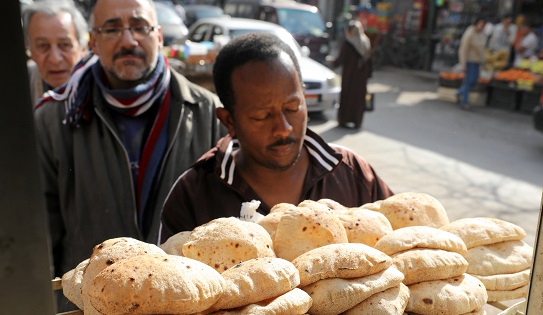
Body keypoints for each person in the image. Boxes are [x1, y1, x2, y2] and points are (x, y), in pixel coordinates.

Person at [33, 0, 223, 309]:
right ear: (93, 41)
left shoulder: (208, 114)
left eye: (139, 27)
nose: (128, 40)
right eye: (112, 29)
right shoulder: (56, 119)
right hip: (92, 305)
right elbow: (43, 233)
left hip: (182, 303)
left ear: (159, 36)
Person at [159, 33, 394, 242]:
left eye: (293, 108)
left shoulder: (353, 174)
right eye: (262, 116)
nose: (283, 129)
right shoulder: (193, 194)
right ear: (229, 121)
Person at [21, 1, 88, 106]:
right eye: (43, 46)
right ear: (29, 48)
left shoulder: (103, 85)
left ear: (83, 48)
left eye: (65, 45)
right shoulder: (20, 84)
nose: (55, 59)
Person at [330, 20, 372, 129]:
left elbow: (341, 59)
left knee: (347, 97)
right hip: (362, 77)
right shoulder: (366, 42)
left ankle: (344, 120)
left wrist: (331, 63)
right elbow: (370, 60)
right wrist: (368, 75)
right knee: (358, 98)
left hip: (350, 77)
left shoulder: (348, 43)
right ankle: (357, 121)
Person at [456, 18, 487, 110]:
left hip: (477, 61)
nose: (481, 27)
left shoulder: (482, 35)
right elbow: (463, 49)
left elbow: (482, 50)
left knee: (473, 81)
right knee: (469, 81)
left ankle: (459, 93)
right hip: (470, 60)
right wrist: (463, 63)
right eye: (480, 24)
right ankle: (464, 101)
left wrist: (483, 61)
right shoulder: (469, 34)